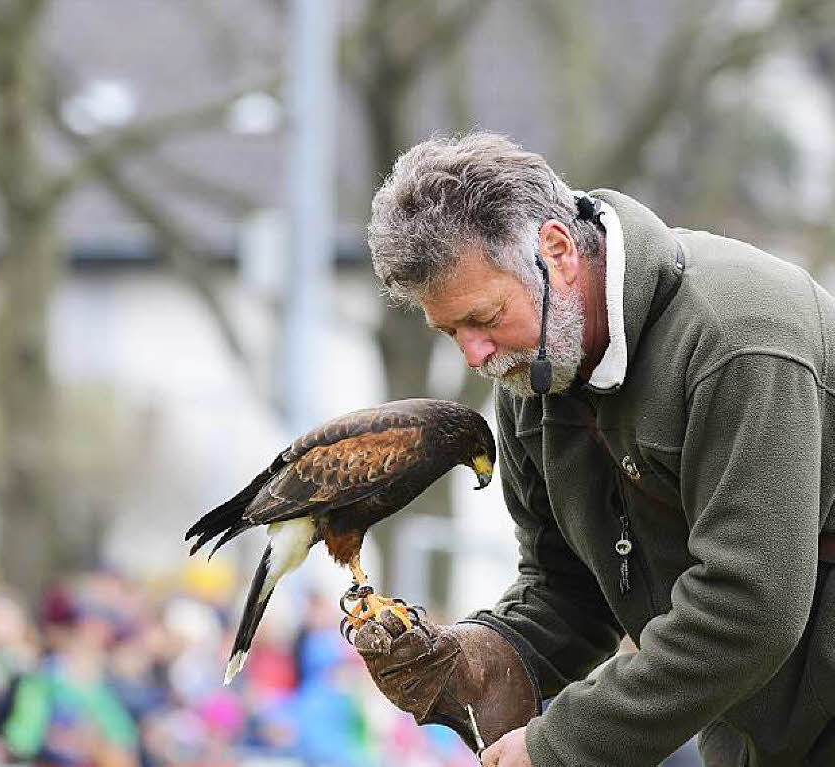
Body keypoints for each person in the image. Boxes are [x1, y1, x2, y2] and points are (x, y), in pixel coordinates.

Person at [357, 132, 835, 767]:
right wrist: (479, 659)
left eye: (484, 317)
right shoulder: (534, 376)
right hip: (760, 733)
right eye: (451, 332)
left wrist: (559, 747)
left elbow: (751, 606)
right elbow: (569, 588)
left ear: (556, 251)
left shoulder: (740, 339)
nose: (474, 354)